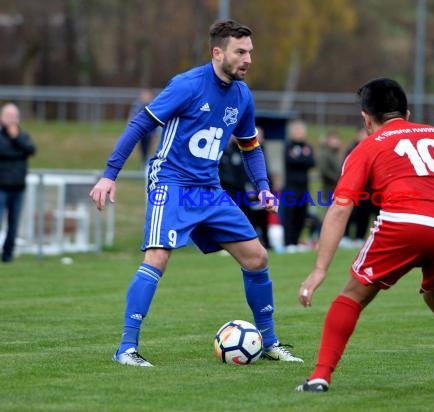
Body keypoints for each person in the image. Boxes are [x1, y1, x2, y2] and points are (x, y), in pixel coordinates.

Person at [89, 20, 303, 366]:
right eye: (240, 52)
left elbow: (251, 146)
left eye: (250, 52)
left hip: (209, 189)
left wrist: (263, 187)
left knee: (257, 258)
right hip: (171, 182)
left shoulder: (242, 95)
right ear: (217, 53)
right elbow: (140, 124)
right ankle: (126, 348)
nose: (248, 59)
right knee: (157, 258)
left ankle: (269, 342)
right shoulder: (187, 85)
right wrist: (109, 174)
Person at [295, 78, 434, 393]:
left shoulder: (367, 146)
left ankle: (319, 378)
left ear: (366, 118)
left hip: (406, 221)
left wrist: (318, 271)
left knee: (353, 295)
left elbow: (341, 208)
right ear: (407, 113)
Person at [0, 103, 36, 263]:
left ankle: (8, 255)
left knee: (13, 225)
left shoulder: (23, 136)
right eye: (9, 116)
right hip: (1, 187)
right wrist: (16, 148)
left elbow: (31, 150)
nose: (12, 119)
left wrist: (16, 138)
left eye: (14, 116)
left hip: (18, 188)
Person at [282, 120, 315, 251]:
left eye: (301, 131)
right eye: (296, 131)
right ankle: (288, 242)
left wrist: (300, 159)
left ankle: (296, 241)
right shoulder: (288, 146)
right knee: (290, 215)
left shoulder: (308, 147)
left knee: (302, 215)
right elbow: (291, 161)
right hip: (291, 187)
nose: (299, 134)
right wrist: (303, 159)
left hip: (304, 187)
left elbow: (311, 162)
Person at [129, 88, 159, 170]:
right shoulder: (138, 107)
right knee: (142, 149)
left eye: (146, 95)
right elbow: (133, 117)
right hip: (141, 133)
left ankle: (148, 163)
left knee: (149, 148)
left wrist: (155, 133)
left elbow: (156, 121)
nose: (144, 97)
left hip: (150, 133)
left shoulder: (153, 106)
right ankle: (144, 163)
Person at [318, 130, 342, 202]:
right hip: (329, 189)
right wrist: (338, 179)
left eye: (336, 138)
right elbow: (324, 171)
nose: (335, 141)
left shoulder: (335, 153)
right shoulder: (325, 154)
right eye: (333, 138)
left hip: (338, 189)